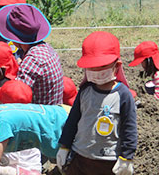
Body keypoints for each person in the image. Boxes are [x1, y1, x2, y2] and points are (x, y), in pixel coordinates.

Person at [57, 31, 137, 175]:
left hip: (108, 162)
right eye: (91, 67)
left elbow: (129, 128)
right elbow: (72, 121)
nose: (95, 71)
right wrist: (64, 147)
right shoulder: (85, 91)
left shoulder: (123, 95)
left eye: (101, 67)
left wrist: (127, 157)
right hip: (79, 156)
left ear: (116, 66)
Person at [0, 3, 64, 105]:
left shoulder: (32, 60)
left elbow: (16, 96)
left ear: (15, 39)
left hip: (40, 116)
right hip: (53, 110)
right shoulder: (47, 49)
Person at [0, 80, 42, 175]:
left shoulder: (13, 126)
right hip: (18, 163)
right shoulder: (27, 120)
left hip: (27, 169)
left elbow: (13, 156)